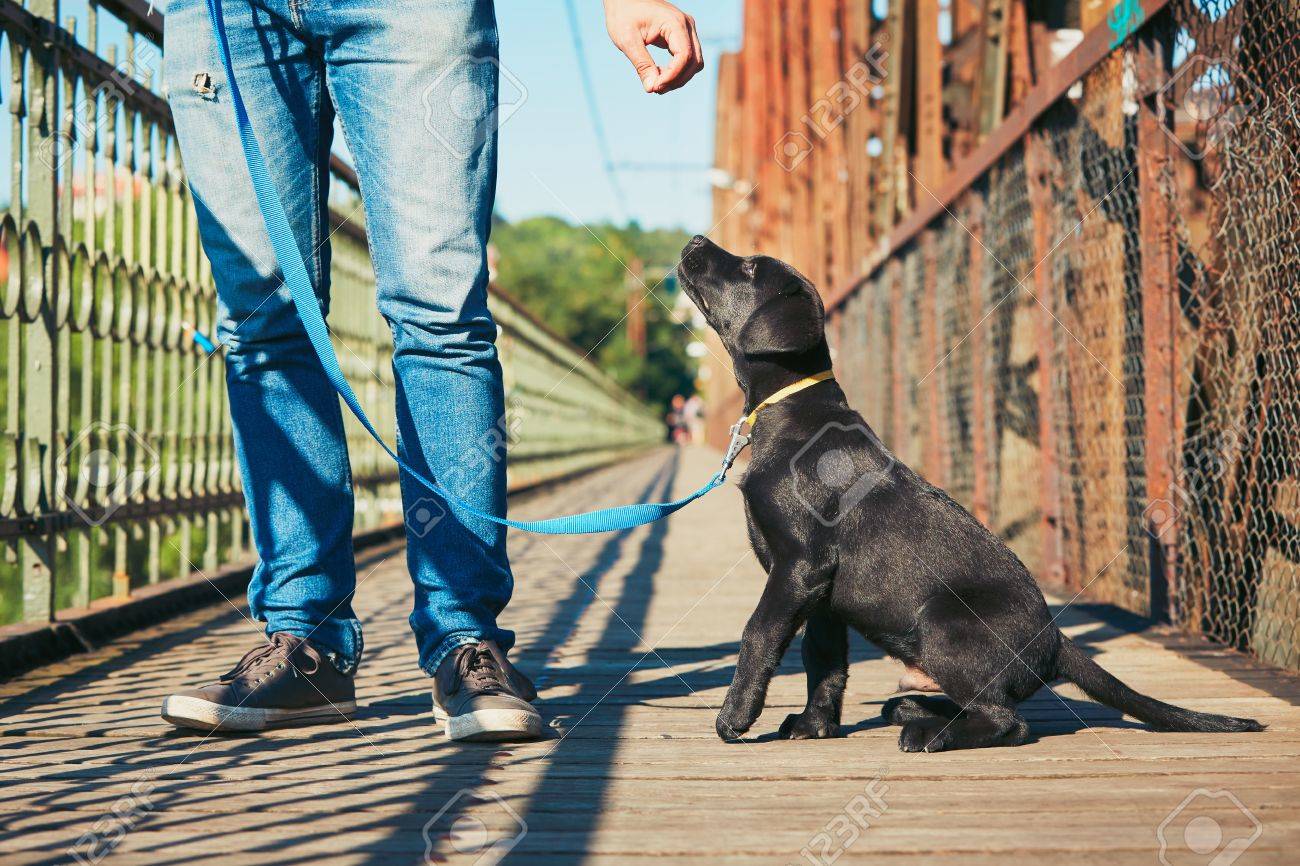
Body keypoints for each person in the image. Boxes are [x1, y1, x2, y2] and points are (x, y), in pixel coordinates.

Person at [158, 0, 704, 741]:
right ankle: (305, 644)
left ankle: (462, 642)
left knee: (439, 311)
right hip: (224, 16)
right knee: (261, 321)